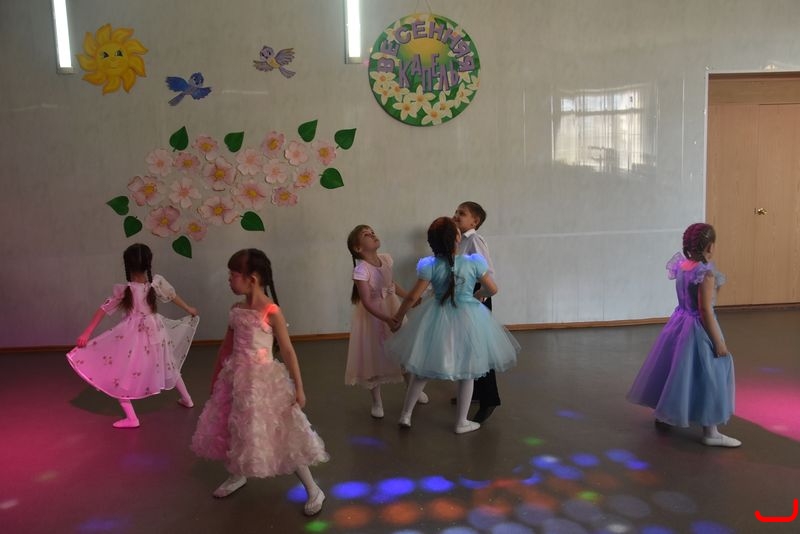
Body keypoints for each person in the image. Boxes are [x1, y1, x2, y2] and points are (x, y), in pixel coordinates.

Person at [191, 249, 329, 515]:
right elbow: (226, 347)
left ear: (251, 279)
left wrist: (299, 388)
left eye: (233, 274)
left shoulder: (271, 311)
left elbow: (287, 351)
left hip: (264, 382)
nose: (229, 279)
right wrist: (216, 379)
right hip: (236, 379)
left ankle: (313, 488)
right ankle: (237, 474)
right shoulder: (236, 310)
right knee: (234, 426)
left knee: (281, 431)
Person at [387, 217, 520, 434]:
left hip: (436, 315)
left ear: (432, 242)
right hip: (469, 315)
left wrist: (398, 316)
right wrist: (479, 294)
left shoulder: (429, 265)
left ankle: (406, 415)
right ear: (457, 237)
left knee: (422, 370)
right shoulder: (474, 262)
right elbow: (493, 289)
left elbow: (412, 297)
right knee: (468, 372)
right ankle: (461, 422)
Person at [626, 223, 740, 447]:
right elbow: (705, 310)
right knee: (711, 374)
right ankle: (711, 432)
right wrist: (718, 343)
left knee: (675, 370)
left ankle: (664, 414)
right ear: (710, 246)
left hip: (679, 322)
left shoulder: (683, 266)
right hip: (698, 327)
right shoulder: (705, 273)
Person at [67, 243, 199, 429]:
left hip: (134, 336)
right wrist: (188, 308)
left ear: (127, 265)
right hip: (156, 331)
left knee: (122, 373)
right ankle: (187, 399)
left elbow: (103, 309)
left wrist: (87, 332)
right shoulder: (155, 284)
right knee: (168, 363)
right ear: (149, 263)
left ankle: (132, 418)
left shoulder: (126, 290)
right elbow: (172, 296)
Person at [345, 225, 427, 418]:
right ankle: (376, 401)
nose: (372, 234)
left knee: (403, 349)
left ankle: (413, 389)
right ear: (358, 248)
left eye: (372, 231)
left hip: (393, 308)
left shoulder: (386, 259)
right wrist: (386, 319)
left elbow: (391, 285)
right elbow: (366, 301)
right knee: (374, 354)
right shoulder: (361, 270)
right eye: (366, 234)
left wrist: (409, 298)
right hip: (374, 316)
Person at [452, 201, 501, 423]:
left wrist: (480, 295)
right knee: (469, 348)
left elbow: (486, 271)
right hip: (466, 299)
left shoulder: (474, 240)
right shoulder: (461, 241)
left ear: (475, 221)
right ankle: (476, 392)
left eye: (461, 213)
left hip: (476, 299)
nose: (456, 215)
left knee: (479, 349)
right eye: (456, 212)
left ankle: (489, 399)